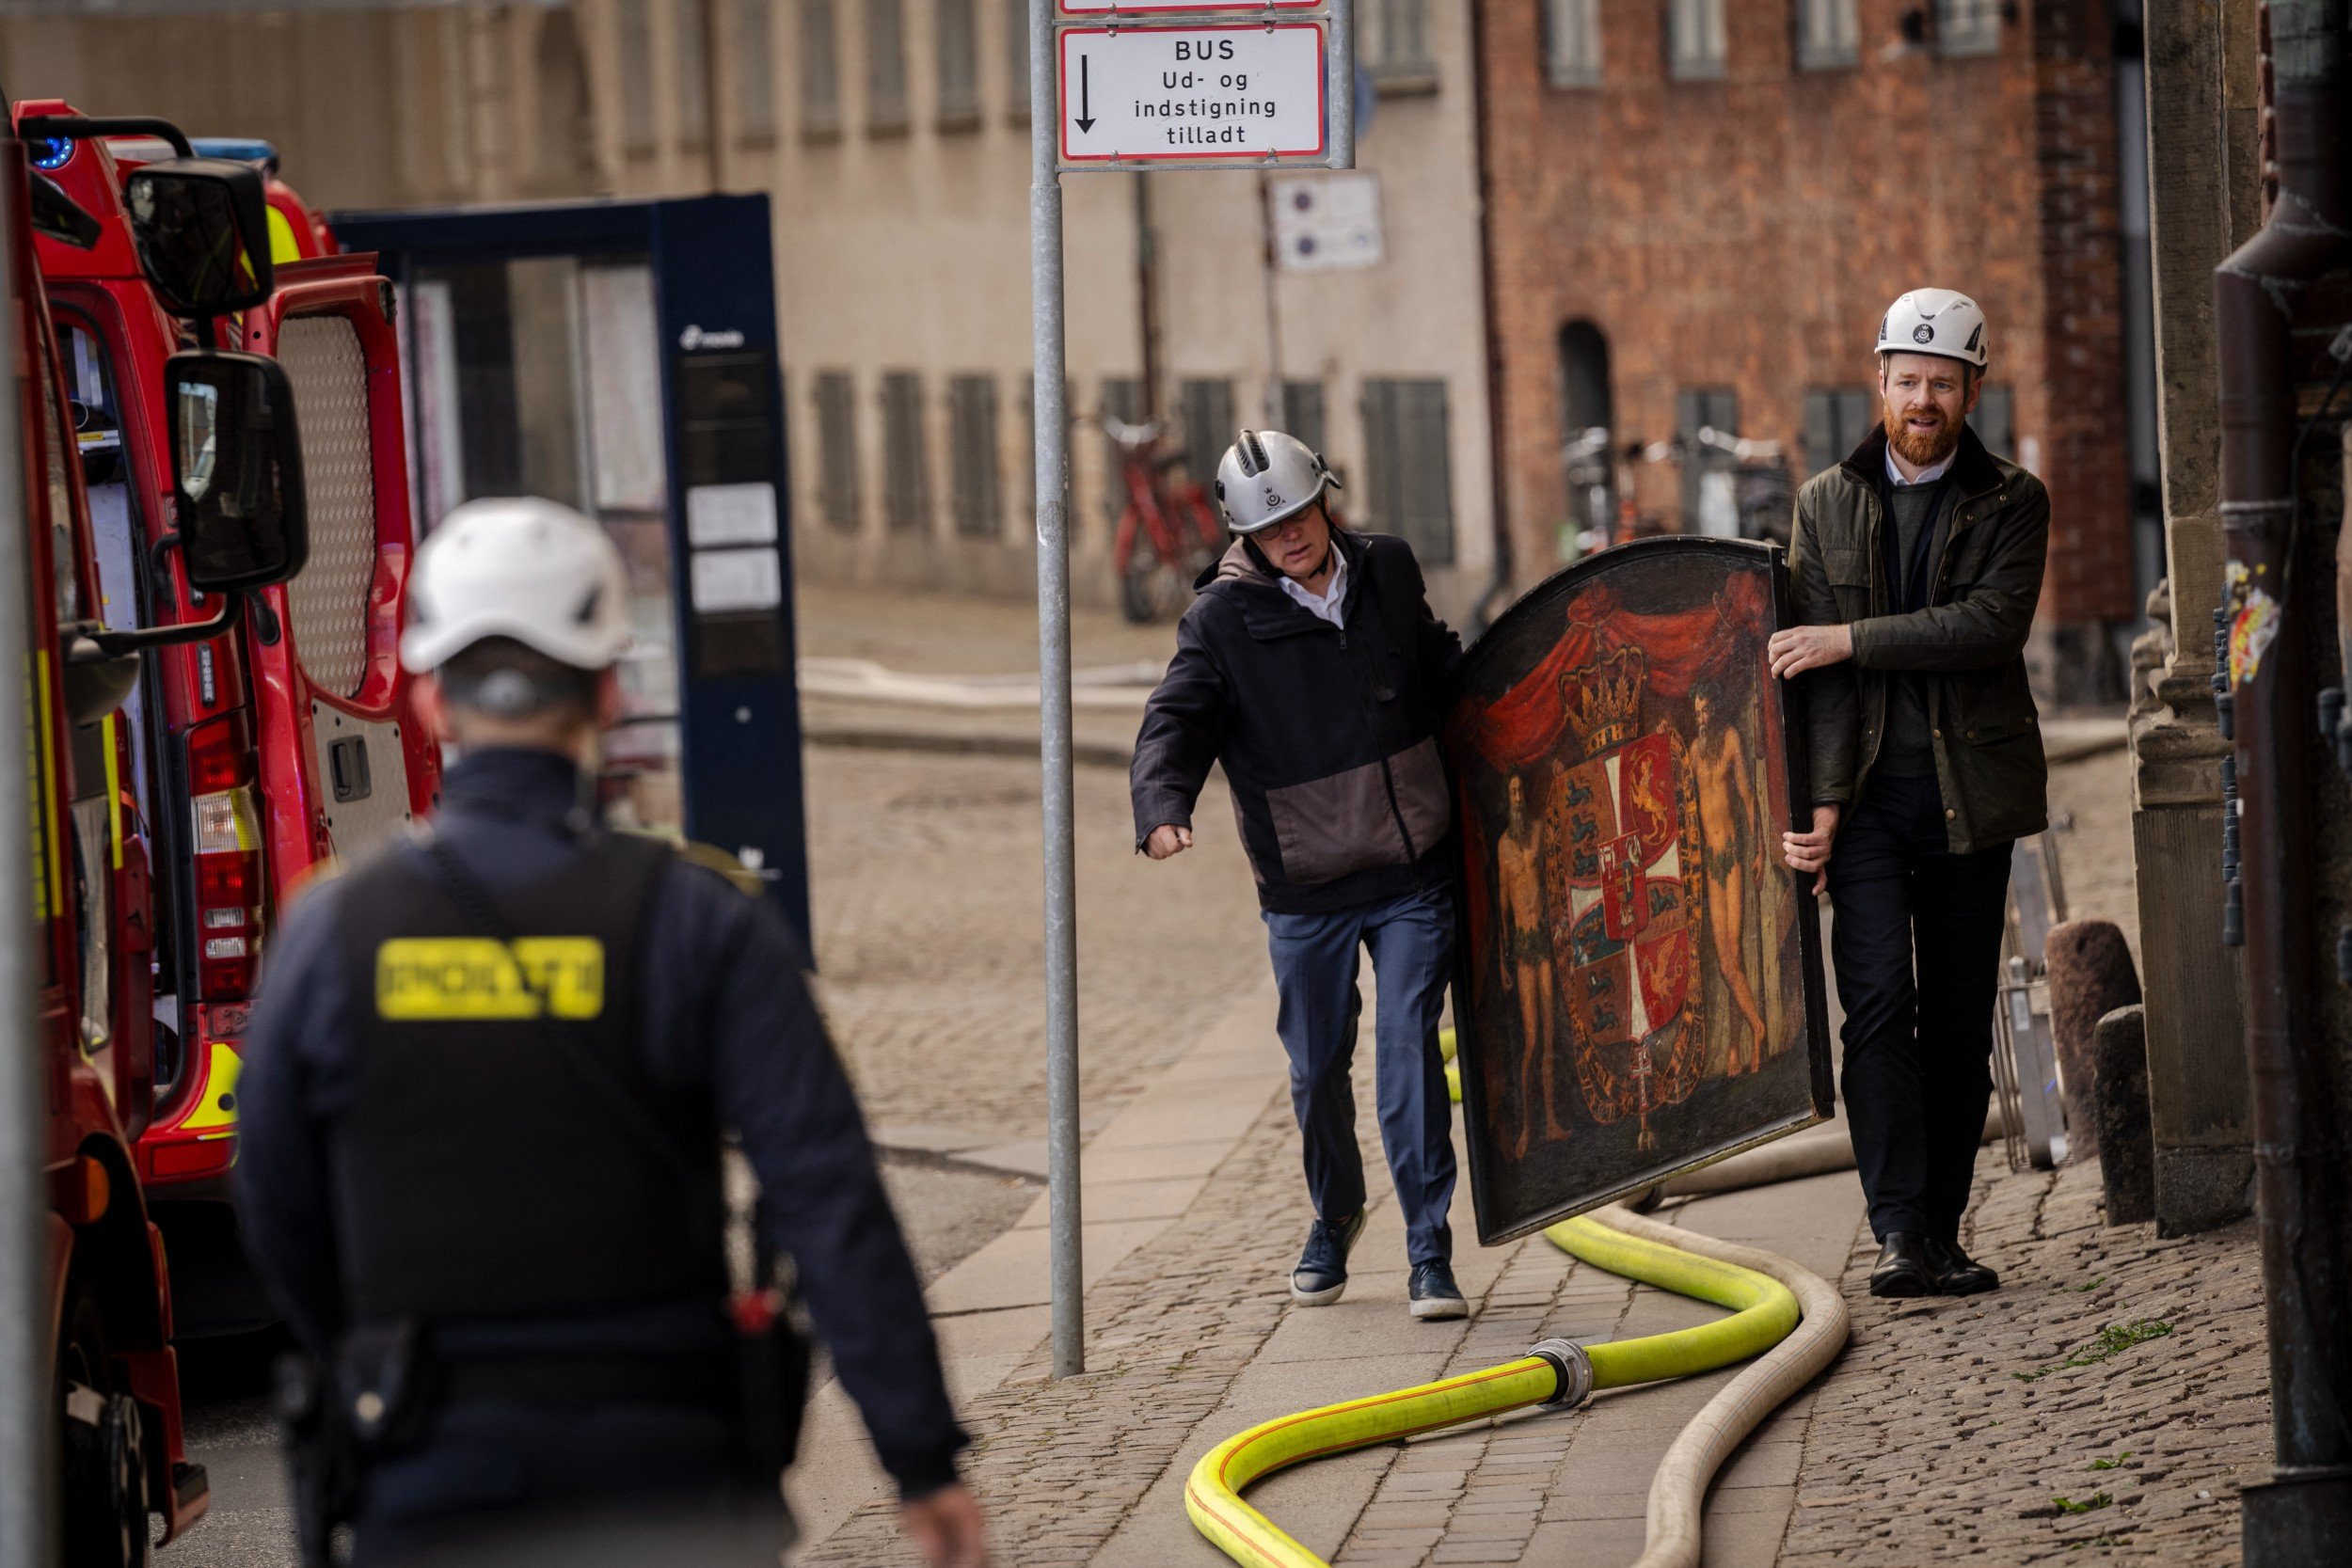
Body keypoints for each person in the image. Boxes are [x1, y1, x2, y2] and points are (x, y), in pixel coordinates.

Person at [234, 498, 989, 1566]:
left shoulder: (330, 930)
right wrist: (922, 1461)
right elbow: (826, 1195)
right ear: (608, 691)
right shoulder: (700, 920)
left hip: (428, 1482)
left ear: (429, 699)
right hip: (671, 1481)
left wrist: (375, 1360)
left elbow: (273, 1201)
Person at [1131, 429, 1468, 1321]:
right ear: (1243, 536)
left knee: (1406, 1054)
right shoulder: (1221, 621)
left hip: (1412, 872)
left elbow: (1444, 670)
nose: (1289, 535)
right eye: (1267, 525)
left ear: (1327, 498)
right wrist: (1162, 803)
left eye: (1298, 512)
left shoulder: (1388, 569)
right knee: (1317, 1069)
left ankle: (1429, 1250)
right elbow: (1174, 722)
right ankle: (1336, 1209)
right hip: (1307, 888)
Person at [1770, 289, 2050, 1300]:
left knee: (1958, 1015)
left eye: (1941, 382)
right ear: (1877, 382)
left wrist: (1850, 637)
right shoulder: (1823, 503)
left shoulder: (2012, 499)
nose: (1921, 398)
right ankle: (1895, 1230)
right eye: (1906, 380)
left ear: (1972, 388)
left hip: (1967, 796)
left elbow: (1985, 625)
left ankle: (1941, 1227)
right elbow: (1818, 682)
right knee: (1878, 1003)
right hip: (1872, 808)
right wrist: (1825, 802)